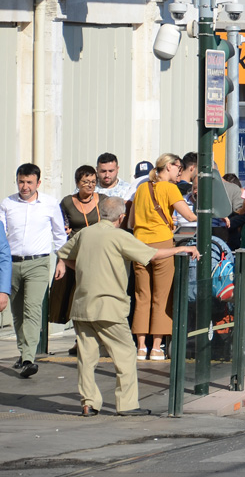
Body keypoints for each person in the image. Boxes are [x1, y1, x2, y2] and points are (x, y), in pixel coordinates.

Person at [55, 196, 199, 417]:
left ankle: (88, 402)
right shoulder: (119, 236)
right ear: (121, 217)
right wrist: (180, 250)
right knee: (125, 353)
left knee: (87, 356)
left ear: (99, 213)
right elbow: (152, 254)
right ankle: (127, 404)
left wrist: (83, 268)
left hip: (83, 305)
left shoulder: (85, 233)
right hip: (110, 306)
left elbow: (64, 254)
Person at [0, 163, 66, 378]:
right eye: (21, 181)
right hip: (12, 264)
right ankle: (23, 351)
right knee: (17, 312)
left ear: (38, 182)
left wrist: (61, 260)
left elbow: (59, 235)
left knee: (33, 309)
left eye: (29, 182)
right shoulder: (7, 204)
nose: (24, 186)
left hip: (38, 263)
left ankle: (29, 358)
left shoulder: (49, 204)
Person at [130, 154, 197, 362]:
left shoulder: (141, 188)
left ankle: (141, 347)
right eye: (179, 167)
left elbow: (131, 221)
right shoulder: (169, 188)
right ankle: (156, 347)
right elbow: (190, 216)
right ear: (169, 166)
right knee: (162, 296)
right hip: (162, 244)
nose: (180, 171)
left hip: (139, 244)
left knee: (142, 296)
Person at [50, 165, 102, 326]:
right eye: (86, 181)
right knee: (73, 296)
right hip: (75, 255)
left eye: (93, 182)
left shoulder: (103, 199)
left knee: (93, 297)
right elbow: (61, 231)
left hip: (97, 255)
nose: (90, 185)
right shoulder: (67, 202)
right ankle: (77, 336)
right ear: (77, 183)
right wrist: (61, 260)